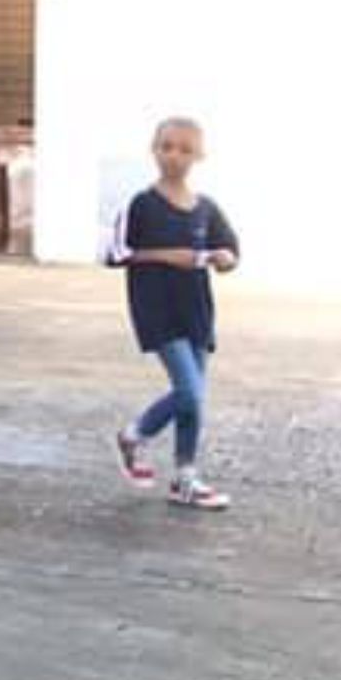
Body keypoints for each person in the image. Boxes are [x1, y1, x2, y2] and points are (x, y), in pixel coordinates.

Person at [107, 118, 239, 510]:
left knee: (194, 400)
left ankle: (185, 477)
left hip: (196, 309)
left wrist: (223, 258)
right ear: (154, 149)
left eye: (184, 149)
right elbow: (115, 253)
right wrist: (169, 256)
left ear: (199, 155)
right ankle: (135, 434)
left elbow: (230, 251)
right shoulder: (142, 204)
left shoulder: (206, 209)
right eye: (167, 146)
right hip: (157, 309)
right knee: (190, 391)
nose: (174, 155)